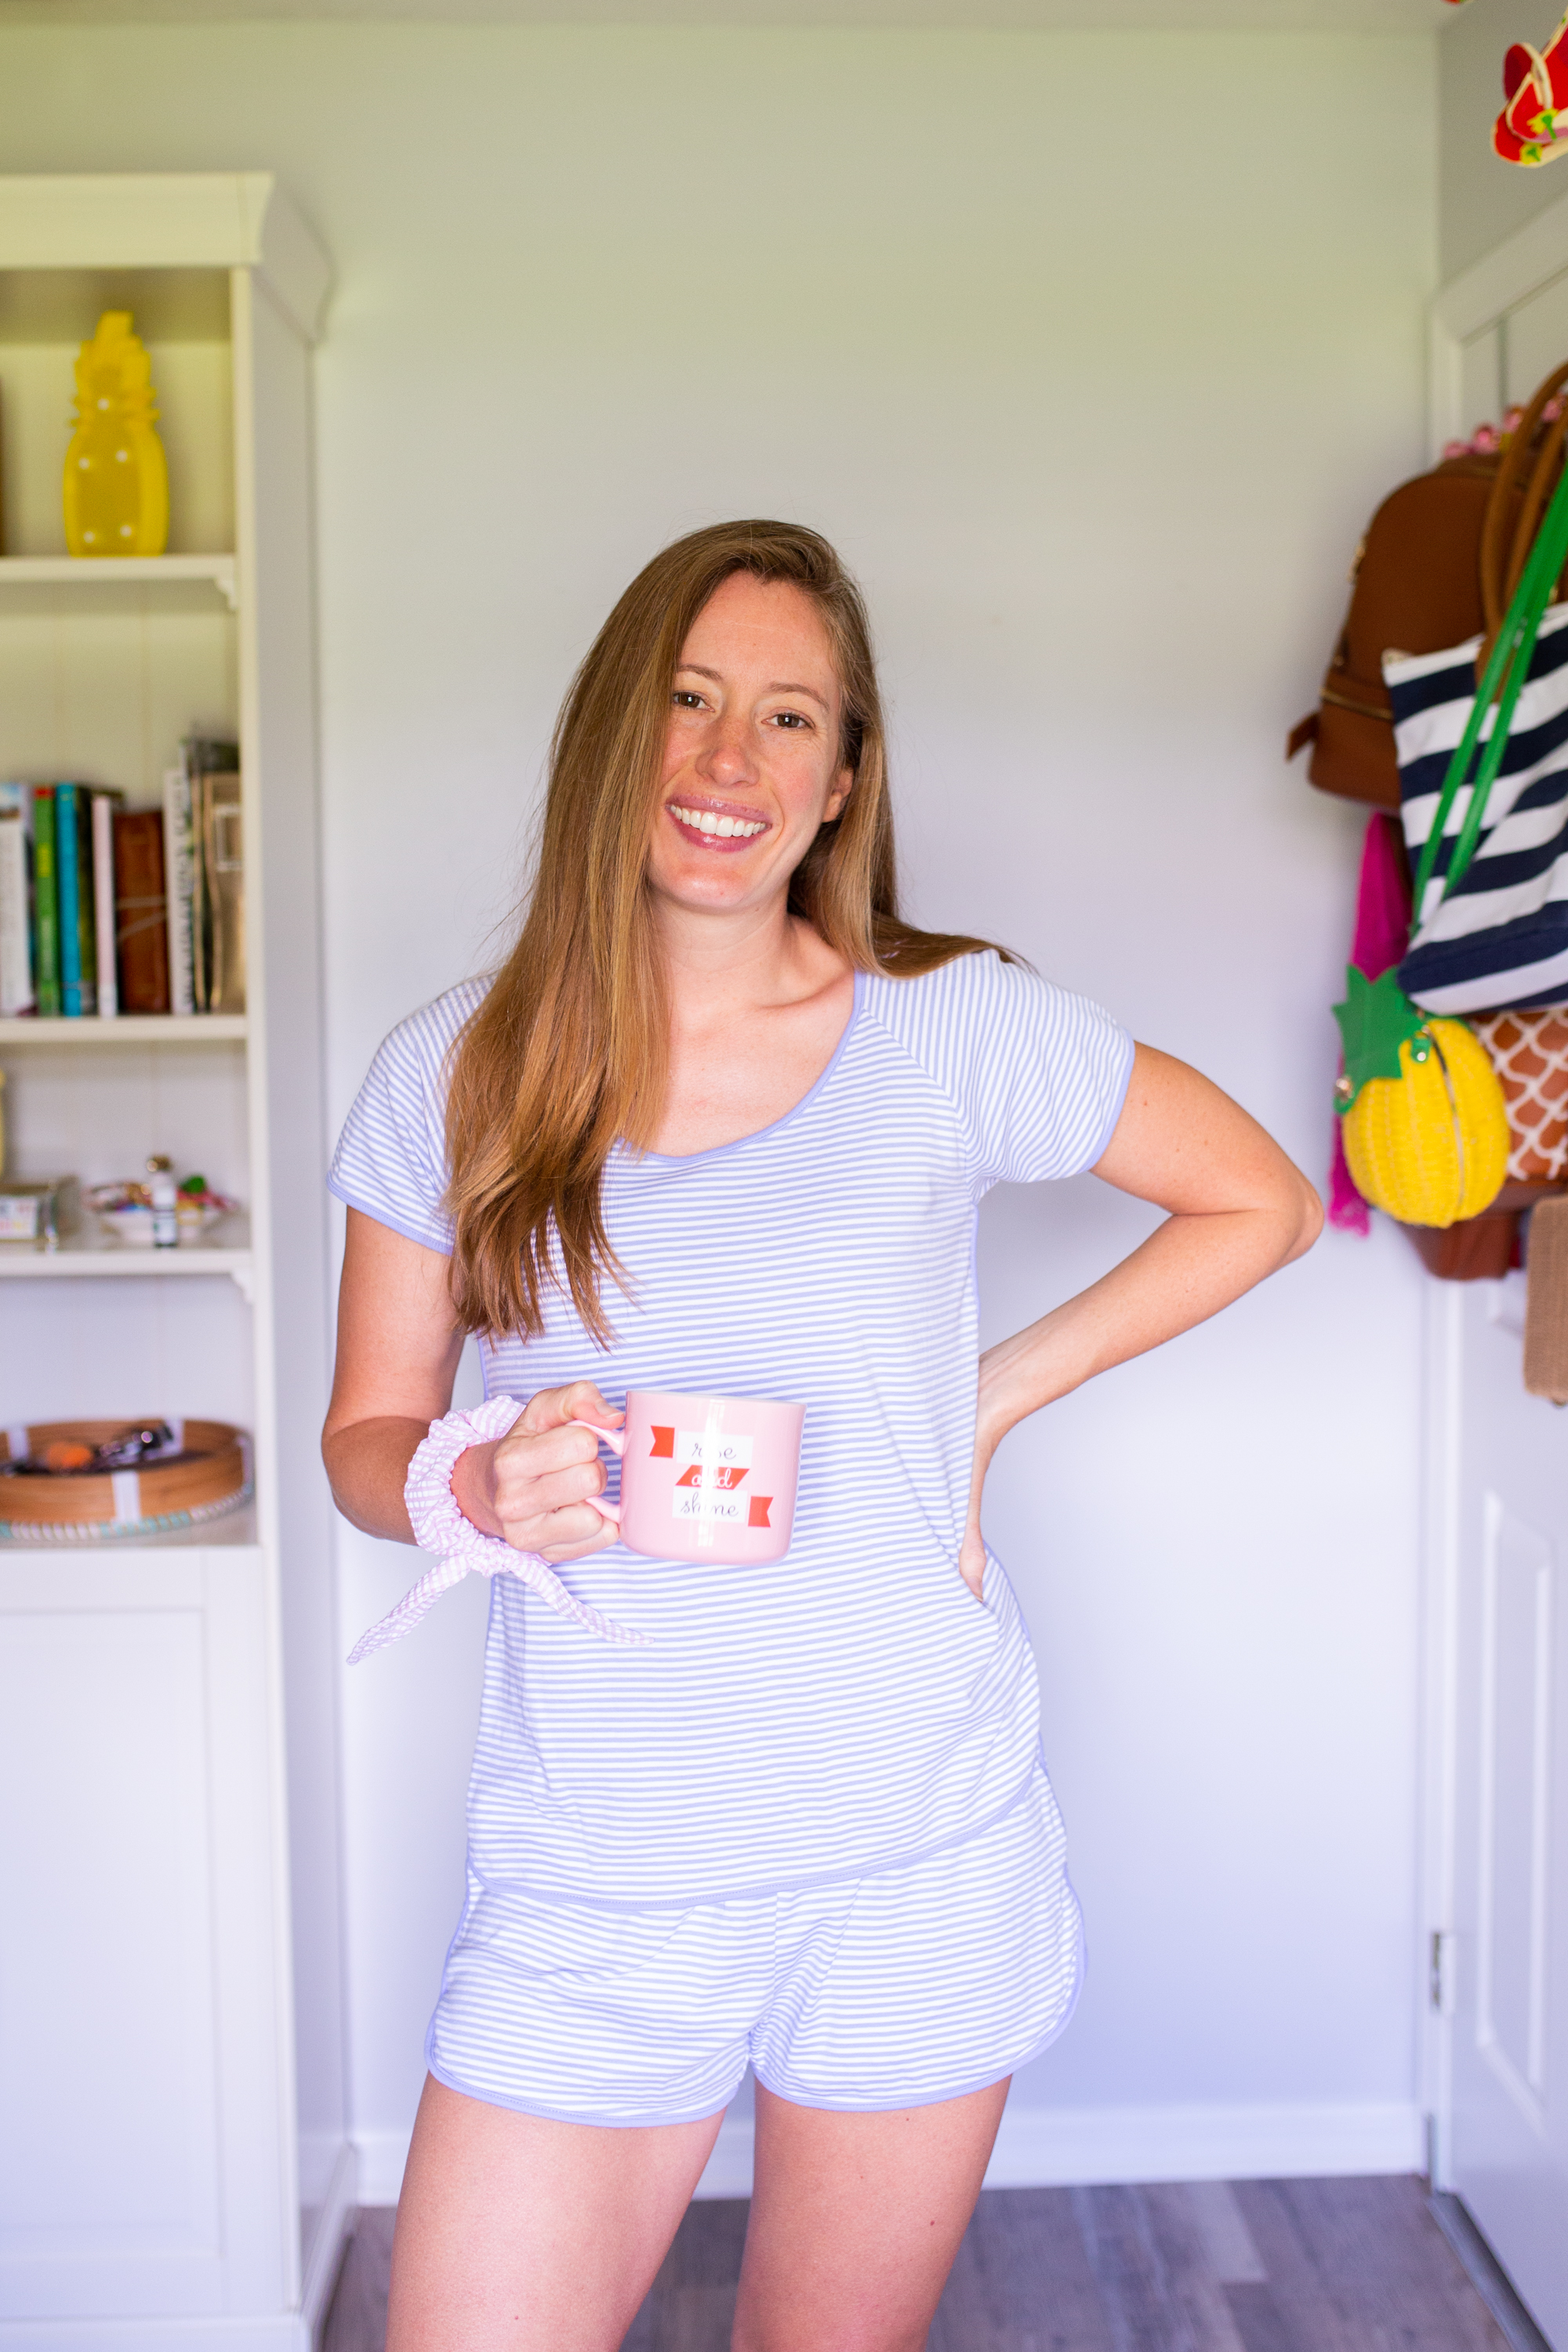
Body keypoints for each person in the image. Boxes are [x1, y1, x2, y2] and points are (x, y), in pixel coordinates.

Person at [321, 518, 1321, 2352]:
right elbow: (366, 1434)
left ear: (846, 776)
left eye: (790, 719)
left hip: (911, 1858)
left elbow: (1256, 1196)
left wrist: (983, 1403)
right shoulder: (454, 1072)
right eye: (689, 702)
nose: (727, 763)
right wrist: (463, 1481)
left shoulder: (951, 1029)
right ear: (612, 732)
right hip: (592, 1879)